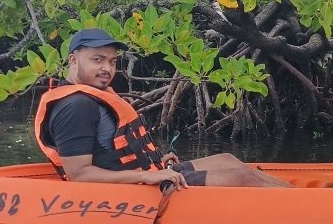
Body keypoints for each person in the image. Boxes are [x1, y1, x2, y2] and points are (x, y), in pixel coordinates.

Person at [34, 28, 293, 189]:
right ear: (73, 60)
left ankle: (304, 196)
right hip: (129, 190)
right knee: (240, 179)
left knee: (227, 160)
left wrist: (155, 162)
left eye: (112, 61)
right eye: (97, 60)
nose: (107, 69)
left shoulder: (93, 97)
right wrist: (148, 178)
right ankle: (311, 205)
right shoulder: (75, 105)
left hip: (145, 175)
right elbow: (79, 175)